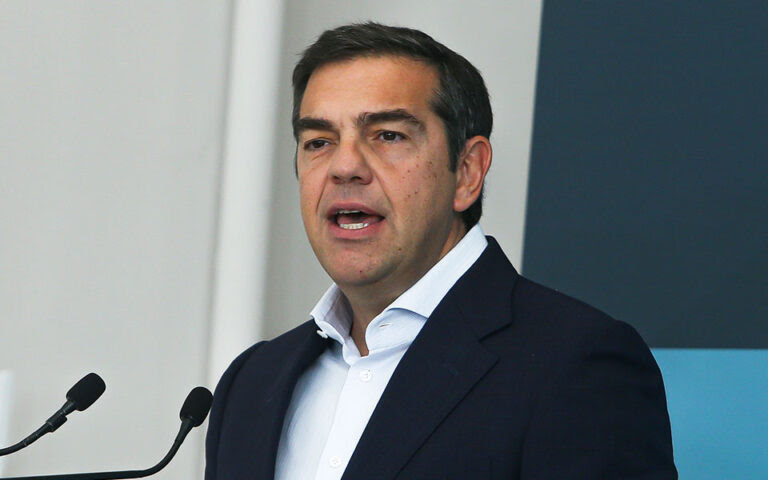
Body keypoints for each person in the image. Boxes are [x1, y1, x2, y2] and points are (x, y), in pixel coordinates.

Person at [204, 22, 677, 480]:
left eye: (388, 135)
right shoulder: (251, 383)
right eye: (319, 142)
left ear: (468, 172)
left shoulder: (575, 363)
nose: (344, 166)